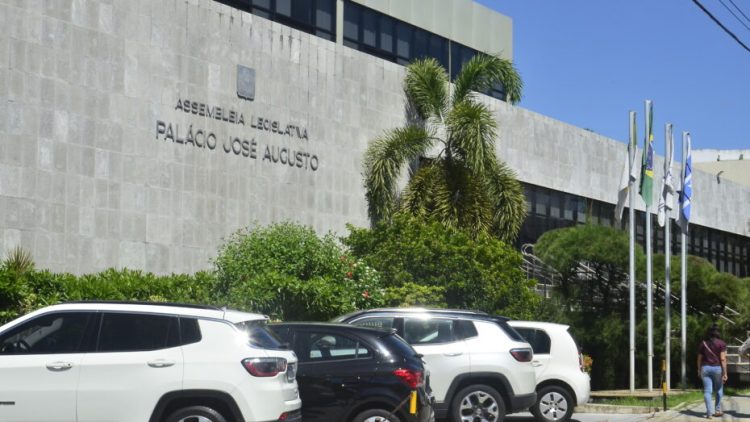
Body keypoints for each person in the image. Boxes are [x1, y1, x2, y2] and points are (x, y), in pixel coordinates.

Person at [697, 324, 728, 419]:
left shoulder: (703, 343)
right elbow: (723, 359)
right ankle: (717, 410)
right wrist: (725, 372)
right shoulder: (722, 343)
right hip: (717, 369)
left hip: (705, 368)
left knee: (707, 391)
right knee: (718, 389)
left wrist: (698, 369)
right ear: (718, 332)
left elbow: (699, 359)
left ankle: (709, 413)